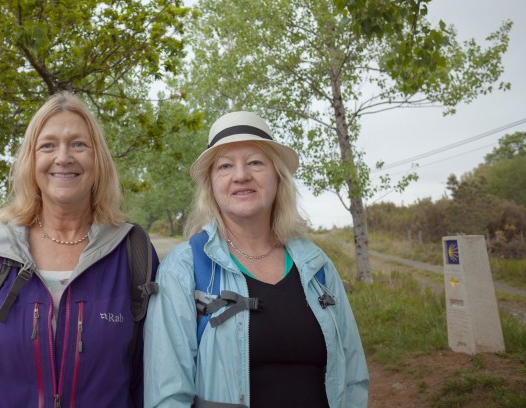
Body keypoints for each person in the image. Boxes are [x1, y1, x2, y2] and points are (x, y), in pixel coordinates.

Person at [0, 91, 156, 407]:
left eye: (78, 144)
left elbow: (150, 377)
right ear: (31, 160)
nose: (63, 157)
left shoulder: (132, 253)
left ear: (98, 159)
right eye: (48, 145)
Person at [144, 111, 368, 407]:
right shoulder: (183, 270)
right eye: (225, 166)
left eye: (255, 163)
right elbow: (167, 395)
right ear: (211, 185)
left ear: (278, 177)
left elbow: (353, 376)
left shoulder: (316, 265)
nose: (241, 175)